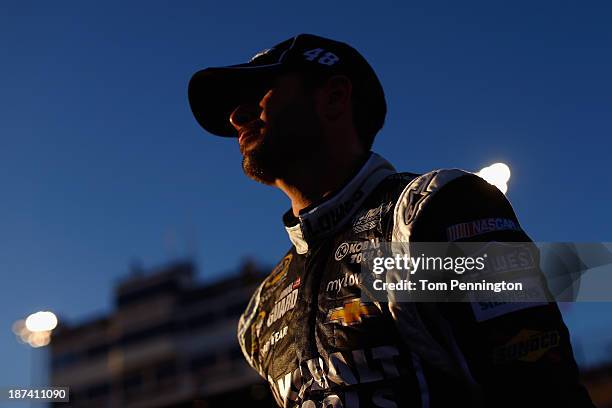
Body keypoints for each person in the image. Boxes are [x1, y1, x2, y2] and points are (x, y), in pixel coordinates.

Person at [188, 34, 594, 407]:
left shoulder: (437, 209)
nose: (236, 118)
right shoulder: (260, 312)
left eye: (259, 93)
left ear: (334, 97)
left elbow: (546, 392)